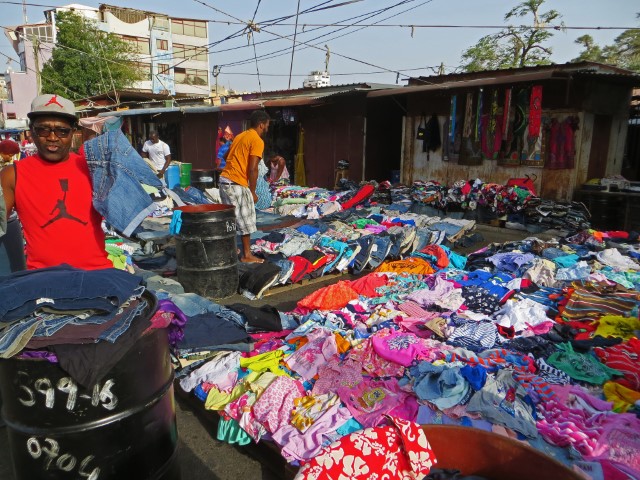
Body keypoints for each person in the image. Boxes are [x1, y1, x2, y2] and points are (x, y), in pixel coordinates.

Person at [0, 94, 112, 270]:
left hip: (96, 275)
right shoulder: (12, 175)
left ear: (73, 132)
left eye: (62, 131)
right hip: (44, 281)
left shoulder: (93, 168)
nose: (53, 137)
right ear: (31, 131)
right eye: (43, 130)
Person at [218, 109, 270, 263]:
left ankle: (232, 249)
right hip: (236, 183)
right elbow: (253, 168)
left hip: (224, 181)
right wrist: (252, 192)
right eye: (267, 125)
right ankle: (247, 255)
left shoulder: (240, 136)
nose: (267, 128)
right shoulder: (257, 140)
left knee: (231, 219)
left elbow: (226, 156)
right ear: (261, 125)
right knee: (246, 220)